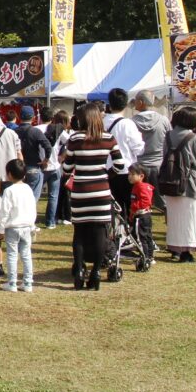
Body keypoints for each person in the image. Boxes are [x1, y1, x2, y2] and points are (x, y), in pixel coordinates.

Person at [63, 103, 124, 290]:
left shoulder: (75, 138)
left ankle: (80, 271)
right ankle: (96, 272)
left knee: (79, 233)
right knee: (100, 234)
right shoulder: (108, 138)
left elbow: (66, 168)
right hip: (101, 191)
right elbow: (120, 165)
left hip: (81, 191)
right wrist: (106, 174)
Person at [162, 106, 196, 263]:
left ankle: (174, 249)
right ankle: (186, 251)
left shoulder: (168, 136)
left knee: (174, 218)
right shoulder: (192, 137)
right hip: (189, 184)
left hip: (169, 181)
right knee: (189, 218)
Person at [102, 88, 144, 217]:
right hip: (126, 171)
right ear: (125, 104)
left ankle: (113, 234)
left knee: (111, 207)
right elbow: (138, 148)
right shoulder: (127, 124)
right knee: (128, 205)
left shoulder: (100, 122)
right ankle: (127, 234)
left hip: (106, 170)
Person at [0, 159, 35, 293]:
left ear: (9, 174)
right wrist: (32, 225)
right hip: (26, 226)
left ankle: (12, 283)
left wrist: (1, 229)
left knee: (12, 255)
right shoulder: (28, 189)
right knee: (26, 255)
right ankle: (28, 283)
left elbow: (4, 212)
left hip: (12, 227)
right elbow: (32, 208)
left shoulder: (9, 190)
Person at [16, 105, 55, 227]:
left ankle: (20, 220)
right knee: (33, 198)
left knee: (19, 198)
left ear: (19, 116)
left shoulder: (13, 131)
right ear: (33, 117)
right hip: (34, 167)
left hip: (18, 168)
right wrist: (46, 160)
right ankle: (29, 223)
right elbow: (48, 147)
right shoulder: (35, 131)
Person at [131, 90, 170, 205]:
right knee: (161, 199)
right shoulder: (164, 120)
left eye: (136, 100)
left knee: (139, 199)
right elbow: (169, 141)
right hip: (158, 163)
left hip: (139, 165)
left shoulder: (131, 122)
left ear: (141, 102)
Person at [128, 164, 154, 262]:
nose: (129, 176)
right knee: (147, 236)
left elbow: (146, 201)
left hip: (142, 215)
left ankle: (145, 256)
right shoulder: (136, 186)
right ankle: (149, 256)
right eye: (129, 174)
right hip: (141, 215)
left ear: (141, 176)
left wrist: (134, 208)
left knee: (142, 237)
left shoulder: (142, 187)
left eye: (132, 174)